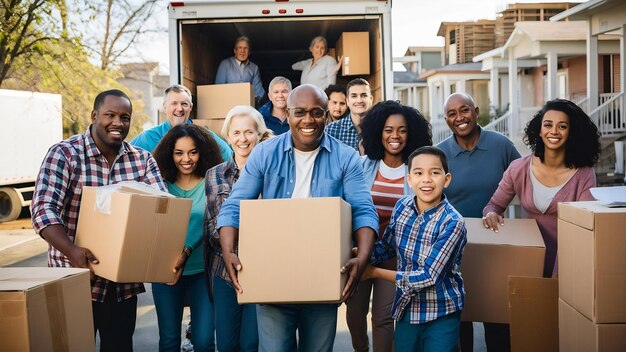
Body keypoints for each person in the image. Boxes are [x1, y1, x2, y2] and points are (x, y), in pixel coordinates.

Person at [216, 84, 379, 352]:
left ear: (326, 116)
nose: (308, 120)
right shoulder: (264, 153)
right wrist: (228, 250)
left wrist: (361, 257)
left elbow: (363, 209)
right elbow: (235, 205)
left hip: (323, 274)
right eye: (299, 112)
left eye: (316, 112)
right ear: (288, 114)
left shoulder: (346, 157)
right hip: (273, 273)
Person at [30, 89, 165, 351]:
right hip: (74, 281)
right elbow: (43, 209)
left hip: (121, 287)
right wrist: (71, 250)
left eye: (125, 117)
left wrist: (168, 252)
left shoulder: (142, 160)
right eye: (110, 115)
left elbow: (161, 209)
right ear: (94, 116)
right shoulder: (65, 154)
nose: (118, 123)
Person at [436, 92, 521, 352]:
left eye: (464, 110)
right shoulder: (440, 153)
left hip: (495, 245)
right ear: (446, 120)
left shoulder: (501, 145)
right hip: (453, 248)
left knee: (497, 321)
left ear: (476, 110)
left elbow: (524, 180)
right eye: (452, 114)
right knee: (459, 322)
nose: (459, 118)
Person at [360, 146, 467, 352]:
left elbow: (427, 276)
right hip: (407, 308)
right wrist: (362, 254)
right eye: (418, 173)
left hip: (441, 311)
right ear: (409, 179)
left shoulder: (453, 223)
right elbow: (388, 247)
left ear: (446, 179)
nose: (426, 179)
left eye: (434, 173)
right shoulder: (402, 207)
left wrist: (373, 272)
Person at [347, 101, 432, 352]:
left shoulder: (416, 171)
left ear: (411, 133)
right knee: (354, 313)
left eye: (402, 130)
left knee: (383, 318)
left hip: (396, 255)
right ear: (377, 132)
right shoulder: (362, 166)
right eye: (388, 130)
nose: (395, 136)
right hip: (361, 251)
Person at [483, 99, 600, 278]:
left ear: (571, 132)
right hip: (528, 262)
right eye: (548, 125)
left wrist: (557, 274)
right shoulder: (518, 168)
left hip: (571, 265)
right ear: (539, 129)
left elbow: (583, 230)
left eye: (562, 126)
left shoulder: (584, 174)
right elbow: (493, 206)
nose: (554, 131)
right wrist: (491, 215)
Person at [204, 105, 274, 352]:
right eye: (236, 133)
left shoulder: (273, 174)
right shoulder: (215, 175)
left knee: (252, 343)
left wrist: (237, 226)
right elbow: (213, 226)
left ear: (259, 135)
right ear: (228, 136)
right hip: (223, 270)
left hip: (262, 269)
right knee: (226, 344)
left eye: (248, 132)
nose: (242, 139)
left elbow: (278, 224)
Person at [151, 124, 222, 352]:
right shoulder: (159, 184)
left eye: (193, 152)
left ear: (203, 152)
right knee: (169, 341)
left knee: (203, 341)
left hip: (203, 272)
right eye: (179, 153)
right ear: (169, 154)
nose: (186, 159)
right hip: (166, 273)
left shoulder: (211, 182)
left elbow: (212, 221)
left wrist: (187, 249)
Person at [131, 84, 233, 162]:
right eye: (174, 103)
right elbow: (125, 159)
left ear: (190, 107)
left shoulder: (205, 136)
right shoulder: (149, 138)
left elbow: (229, 157)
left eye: (184, 104)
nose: (179, 109)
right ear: (165, 107)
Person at [325, 78, 374, 151]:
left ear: (371, 99)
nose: (359, 100)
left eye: (364, 95)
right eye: (354, 96)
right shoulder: (330, 130)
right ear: (347, 101)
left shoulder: (380, 128)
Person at [215, 36, 265, 102]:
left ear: (249, 51)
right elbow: (218, 88)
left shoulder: (254, 68)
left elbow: (259, 91)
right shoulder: (225, 64)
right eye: (240, 48)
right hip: (228, 103)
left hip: (247, 104)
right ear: (235, 51)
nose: (242, 51)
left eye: (245, 48)